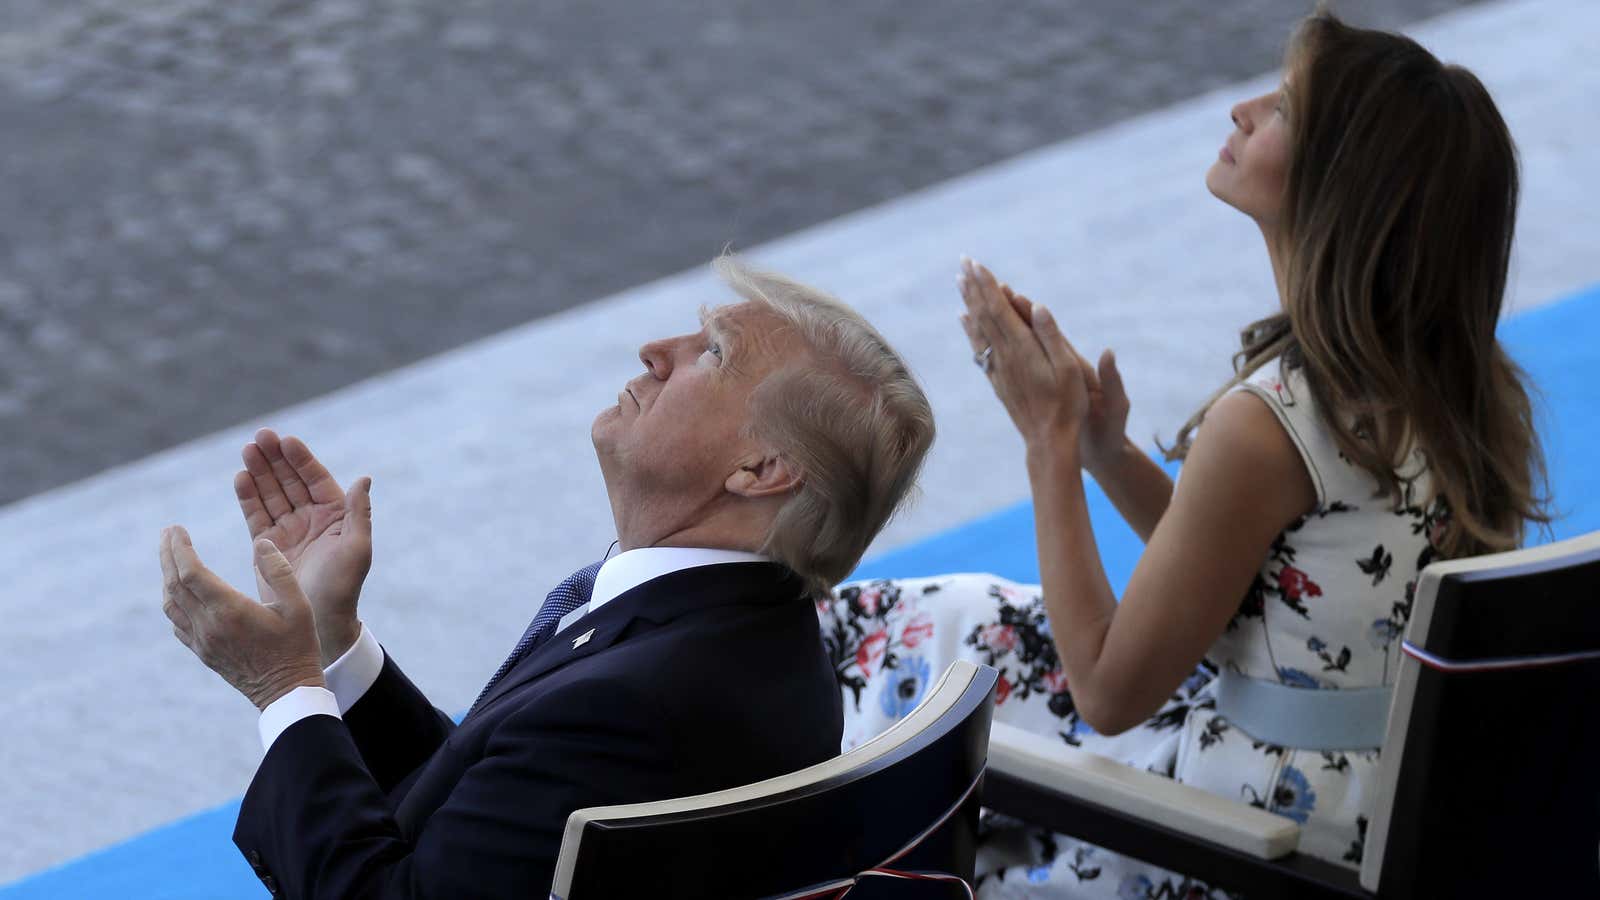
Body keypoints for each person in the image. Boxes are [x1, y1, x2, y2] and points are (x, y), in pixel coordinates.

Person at [819, 10, 1550, 897]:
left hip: (1246, 843)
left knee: (909, 653)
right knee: (964, 616)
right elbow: (1277, 580)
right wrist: (1106, 449)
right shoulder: (1462, 392)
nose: (1240, 109)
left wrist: (1046, 443)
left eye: (1282, 106)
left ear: (1341, 182)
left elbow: (1108, 690)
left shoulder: (1275, 418)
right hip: (1383, 802)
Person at [158, 256, 935, 898]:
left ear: (762, 468)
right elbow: (500, 813)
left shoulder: (642, 701)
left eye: (714, 352)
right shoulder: (730, 634)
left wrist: (284, 690)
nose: (656, 350)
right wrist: (334, 642)